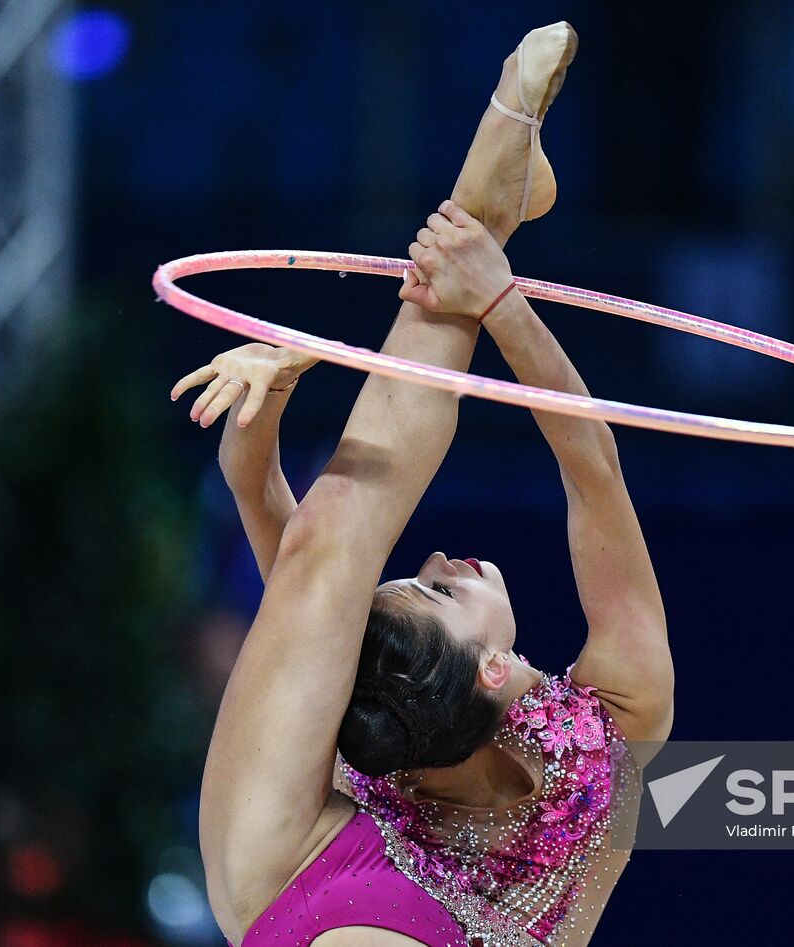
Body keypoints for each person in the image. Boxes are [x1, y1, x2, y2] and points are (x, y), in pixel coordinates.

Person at [174, 22, 672, 946]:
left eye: (428, 577)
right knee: (329, 538)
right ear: (487, 665)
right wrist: (497, 301)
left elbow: (307, 602)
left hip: (293, 874)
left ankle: (489, 201)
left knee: (328, 540)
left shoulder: (397, 708)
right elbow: (591, 466)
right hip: (356, 879)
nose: (441, 553)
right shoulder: (625, 708)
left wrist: (254, 454)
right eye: (440, 586)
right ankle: (488, 204)